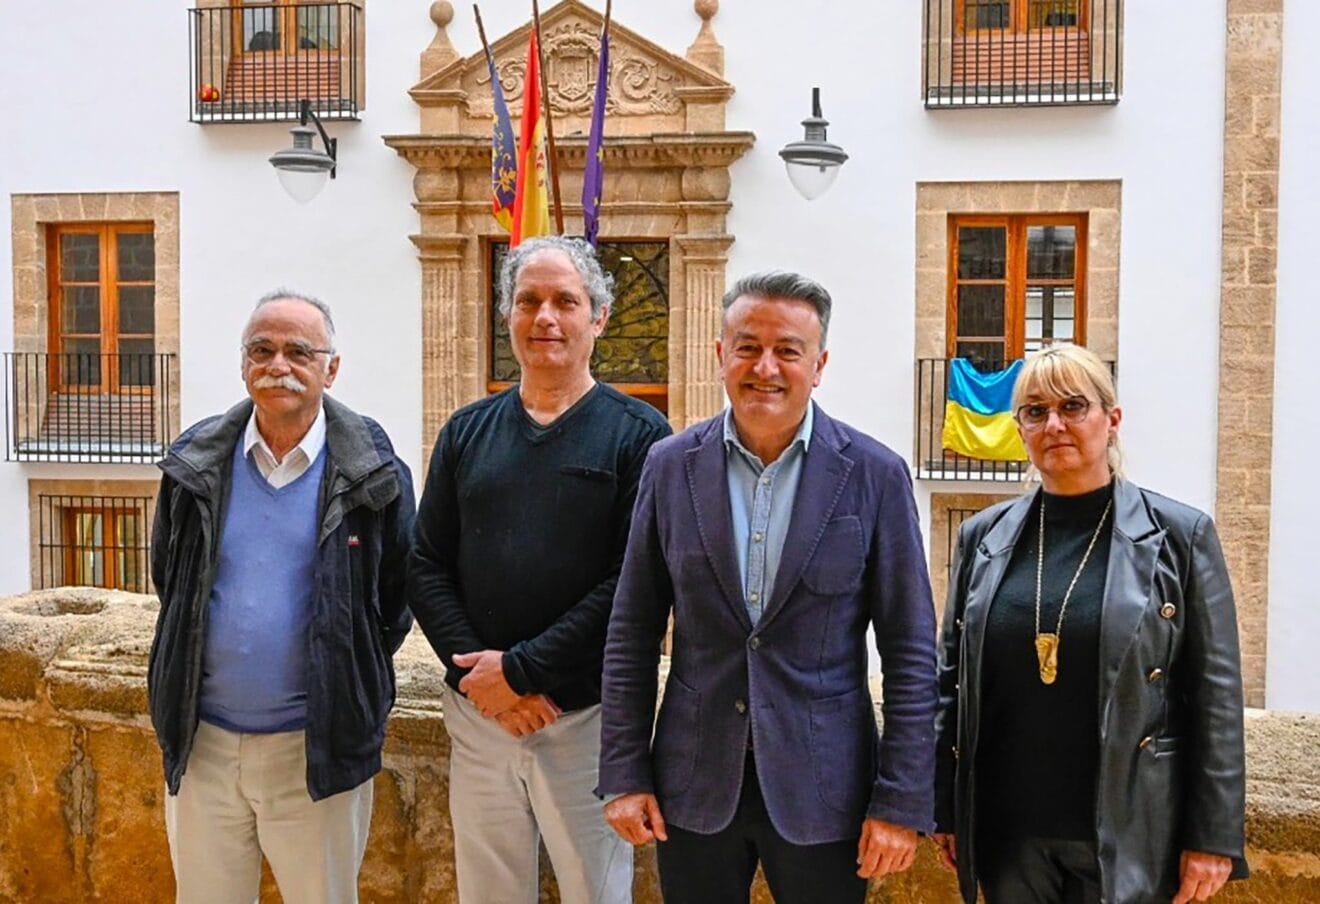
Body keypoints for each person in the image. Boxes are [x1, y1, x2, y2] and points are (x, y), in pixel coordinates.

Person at [598, 270, 939, 904]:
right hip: (692, 785)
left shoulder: (874, 475)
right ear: (720, 354)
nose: (766, 367)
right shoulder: (669, 468)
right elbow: (632, 631)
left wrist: (901, 798)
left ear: (819, 364)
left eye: (788, 349)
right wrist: (622, 772)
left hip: (828, 790)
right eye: (748, 346)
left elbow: (912, 653)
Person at [932, 343, 1249, 904]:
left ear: (1112, 419)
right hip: (1010, 836)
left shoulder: (1181, 536)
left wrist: (1213, 836)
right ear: (1019, 428)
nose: (1054, 424)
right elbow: (950, 683)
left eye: (1073, 406)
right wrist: (944, 804)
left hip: (1131, 832)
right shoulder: (982, 537)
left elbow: (1216, 697)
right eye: (1035, 411)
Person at [408, 235, 671, 904]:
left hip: (585, 718)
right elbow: (426, 563)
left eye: (565, 302)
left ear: (599, 317)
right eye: (528, 301)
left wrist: (521, 672)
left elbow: (634, 585)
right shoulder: (466, 431)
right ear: (507, 316)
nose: (545, 318)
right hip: (479, 717)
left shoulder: (641, 437)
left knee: (596, 892)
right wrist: (485, 684)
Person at [148, 290, 416, 903]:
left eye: (299, 351)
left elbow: (393, 603)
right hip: (203, 744)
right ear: (244, 364)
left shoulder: (372, 472)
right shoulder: (196, 464)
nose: (279, 365)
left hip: (315, 750)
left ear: (331, 368)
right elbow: (173, 579)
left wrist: (343, 678)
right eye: (262, 349)